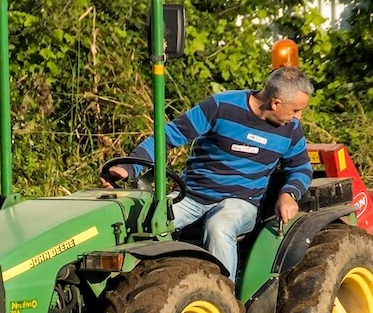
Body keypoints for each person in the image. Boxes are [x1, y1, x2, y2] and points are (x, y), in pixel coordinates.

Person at [102, 65, 314, 280]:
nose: (298, 117)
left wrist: (288, 194)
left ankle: (225, 301)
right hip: (192, 196)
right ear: (276, 102)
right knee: (145, 223)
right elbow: (169, 135)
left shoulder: (291, 130)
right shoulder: (221, 106)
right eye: (296, 110)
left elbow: (301, 168)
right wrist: (129, 168)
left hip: (242, 202)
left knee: (219, 225)